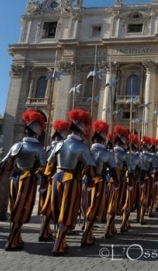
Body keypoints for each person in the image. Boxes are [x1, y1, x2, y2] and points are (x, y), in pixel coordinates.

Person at [48, 109, 95, 256]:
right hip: (71, 180)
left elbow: (49, 164)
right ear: (82, 131)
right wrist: (89, 178)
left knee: (56, 210)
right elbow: (90, 167)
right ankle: (57, 245)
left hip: (56, 177)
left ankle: (61, 241)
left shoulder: (59, 144)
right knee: (67, 211)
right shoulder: (81, 146)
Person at [2, 109, 47, 251]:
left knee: (14, 207)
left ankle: (17, 236)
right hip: (28, 181)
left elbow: (4, 164)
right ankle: (12, 240)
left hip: (13, 179)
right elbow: (44, 168)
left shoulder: (16, 146)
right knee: (22, 209)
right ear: (36, 133)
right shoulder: (38, 148)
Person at [81, 120, 117, 246]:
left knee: (85, 207)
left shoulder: (86, 150)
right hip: (98, 183)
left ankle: (88, 233)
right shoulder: (105, 153)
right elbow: (114, 169)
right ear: (102, 141)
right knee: (94, 209)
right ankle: (86, 236)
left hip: (85, 182)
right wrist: (117, 179)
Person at [38, 119, 70, 242]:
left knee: (48, 207)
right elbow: (49, 164)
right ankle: (51, 233)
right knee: (55, 207)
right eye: (64, 132)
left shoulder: (50, 147)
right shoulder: (57, 147)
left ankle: (44, 231)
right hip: (54, 180)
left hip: (48, 179)